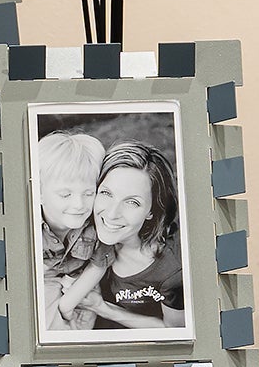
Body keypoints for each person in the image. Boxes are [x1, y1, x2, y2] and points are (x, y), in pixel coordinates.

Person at [63, 141, 186, 332]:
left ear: (152, 210)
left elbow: (174, 328)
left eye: (132, 202)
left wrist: (102, 308)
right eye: (106, 193)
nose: (112, 214)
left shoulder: (172, 270)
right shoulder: (80, 227)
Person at [34, 129, 107, 332]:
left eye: (89, 193)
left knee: (80, 323)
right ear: (39, 193)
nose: (79, 204)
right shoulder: (29, 223)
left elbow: (99, 263)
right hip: (43, 277)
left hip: (82, 277)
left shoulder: (97, 221)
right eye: (65, 194)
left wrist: (68, 304)